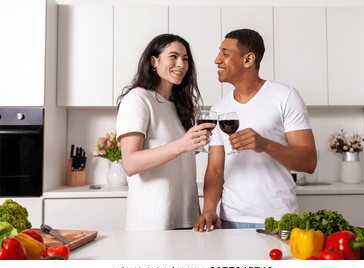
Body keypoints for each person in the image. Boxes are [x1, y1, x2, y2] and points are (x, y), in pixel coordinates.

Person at [193, 29, 317, 232]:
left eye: (225, 53)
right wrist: (208, 209)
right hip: (230, 220)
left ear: (248, 59)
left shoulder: (285, 97)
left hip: (278, 218)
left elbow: (309, 162)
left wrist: (265, 144)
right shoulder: (218, 109)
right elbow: (215, 170)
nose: (217, 60)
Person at [116, 34, 216, 230]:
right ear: (154, 61)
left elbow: (182, 169)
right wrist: (181, 145)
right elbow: (130, 163)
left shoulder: (179, 106)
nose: (181, 64)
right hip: (153, 222)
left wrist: (198, 212)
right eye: (174, 56)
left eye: (185, 59)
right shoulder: (138, 99)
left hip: (187, 219)